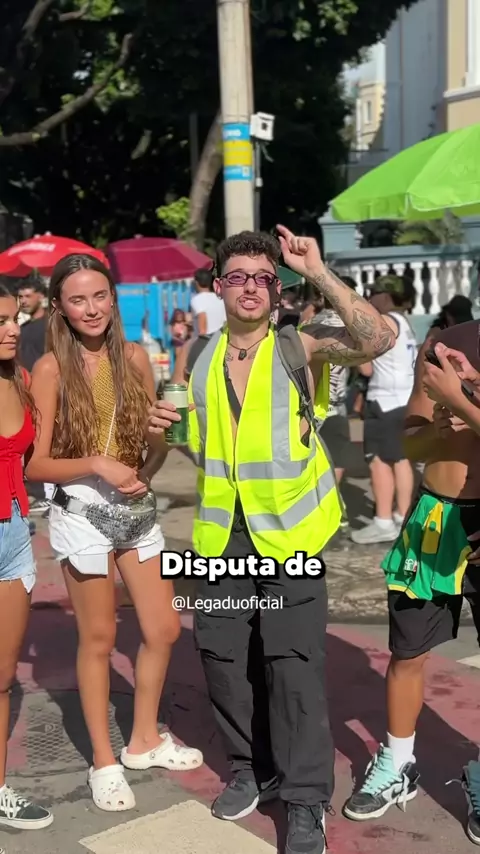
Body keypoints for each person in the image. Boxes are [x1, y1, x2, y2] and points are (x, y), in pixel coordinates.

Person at [148, 227, 396, 854]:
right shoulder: (199, 356)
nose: (252, 288)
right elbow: (191, 446)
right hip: (219, 539)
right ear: (218, 286)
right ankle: (251, 770)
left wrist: (317, 271)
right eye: (238, 277)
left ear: (278, 289)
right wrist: (158, 428)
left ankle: (306, 798)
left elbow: (378, 339)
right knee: (223, 660)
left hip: (290, 538)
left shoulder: (300, 345)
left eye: (264, 278)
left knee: (293, 668)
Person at [25, 254, 202, 813]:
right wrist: (97, 464)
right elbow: (35, 465)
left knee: (164, 628)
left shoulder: (135, 358)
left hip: (136, 506)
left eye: (100, 295)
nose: (91, 308)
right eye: (77, 299)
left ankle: (143, 740)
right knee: (99, 638)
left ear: (113, 298)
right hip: (81, 512)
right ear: (59, 306)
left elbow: (153, 453)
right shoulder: (50, 369)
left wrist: (158, 444)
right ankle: (104, 761)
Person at [343, 317, 480, 844]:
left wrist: (462, 400)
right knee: (407, 651)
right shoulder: (446, 345)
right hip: (434, 521)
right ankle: (397, 763)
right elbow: (412, 444)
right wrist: (440, 426)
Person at [0, 284, 53, 834]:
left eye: (13, 317)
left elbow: (37, 460)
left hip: (15, 536)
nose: (13, 328)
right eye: (0, 321)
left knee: (2, 678)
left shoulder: (19, 379)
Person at [351, 275, 417, 545]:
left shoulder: (384, 322)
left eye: (374, 294)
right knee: (400, 459)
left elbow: (366, 368)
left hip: (384, 401)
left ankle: (383, 521)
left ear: (386, 297)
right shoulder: (404, 322)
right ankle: (403, 516)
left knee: (378, 460)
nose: (370, 298)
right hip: (403, 400)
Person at [304, 273, 357, 485]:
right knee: (337, 458)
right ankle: (332, 497)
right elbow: (367, 369)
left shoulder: (309, 323)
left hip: (310, 404)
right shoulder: (350, 328)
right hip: (335, 405)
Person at [16, 278, 52, 516]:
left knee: (48, 440)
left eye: (28, 296)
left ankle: (50, 495)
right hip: (25, 393)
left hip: (46, 392)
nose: (24, 301)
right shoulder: (23, 327)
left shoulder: (50, 325)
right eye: (20, 297)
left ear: (41, 296)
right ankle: (39, 491)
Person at [190, 267, 226, 335]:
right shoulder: (219, 299)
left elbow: (202, 328)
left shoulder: (197, 299)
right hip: (221, 338)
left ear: (196, 282)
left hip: (208, 340)